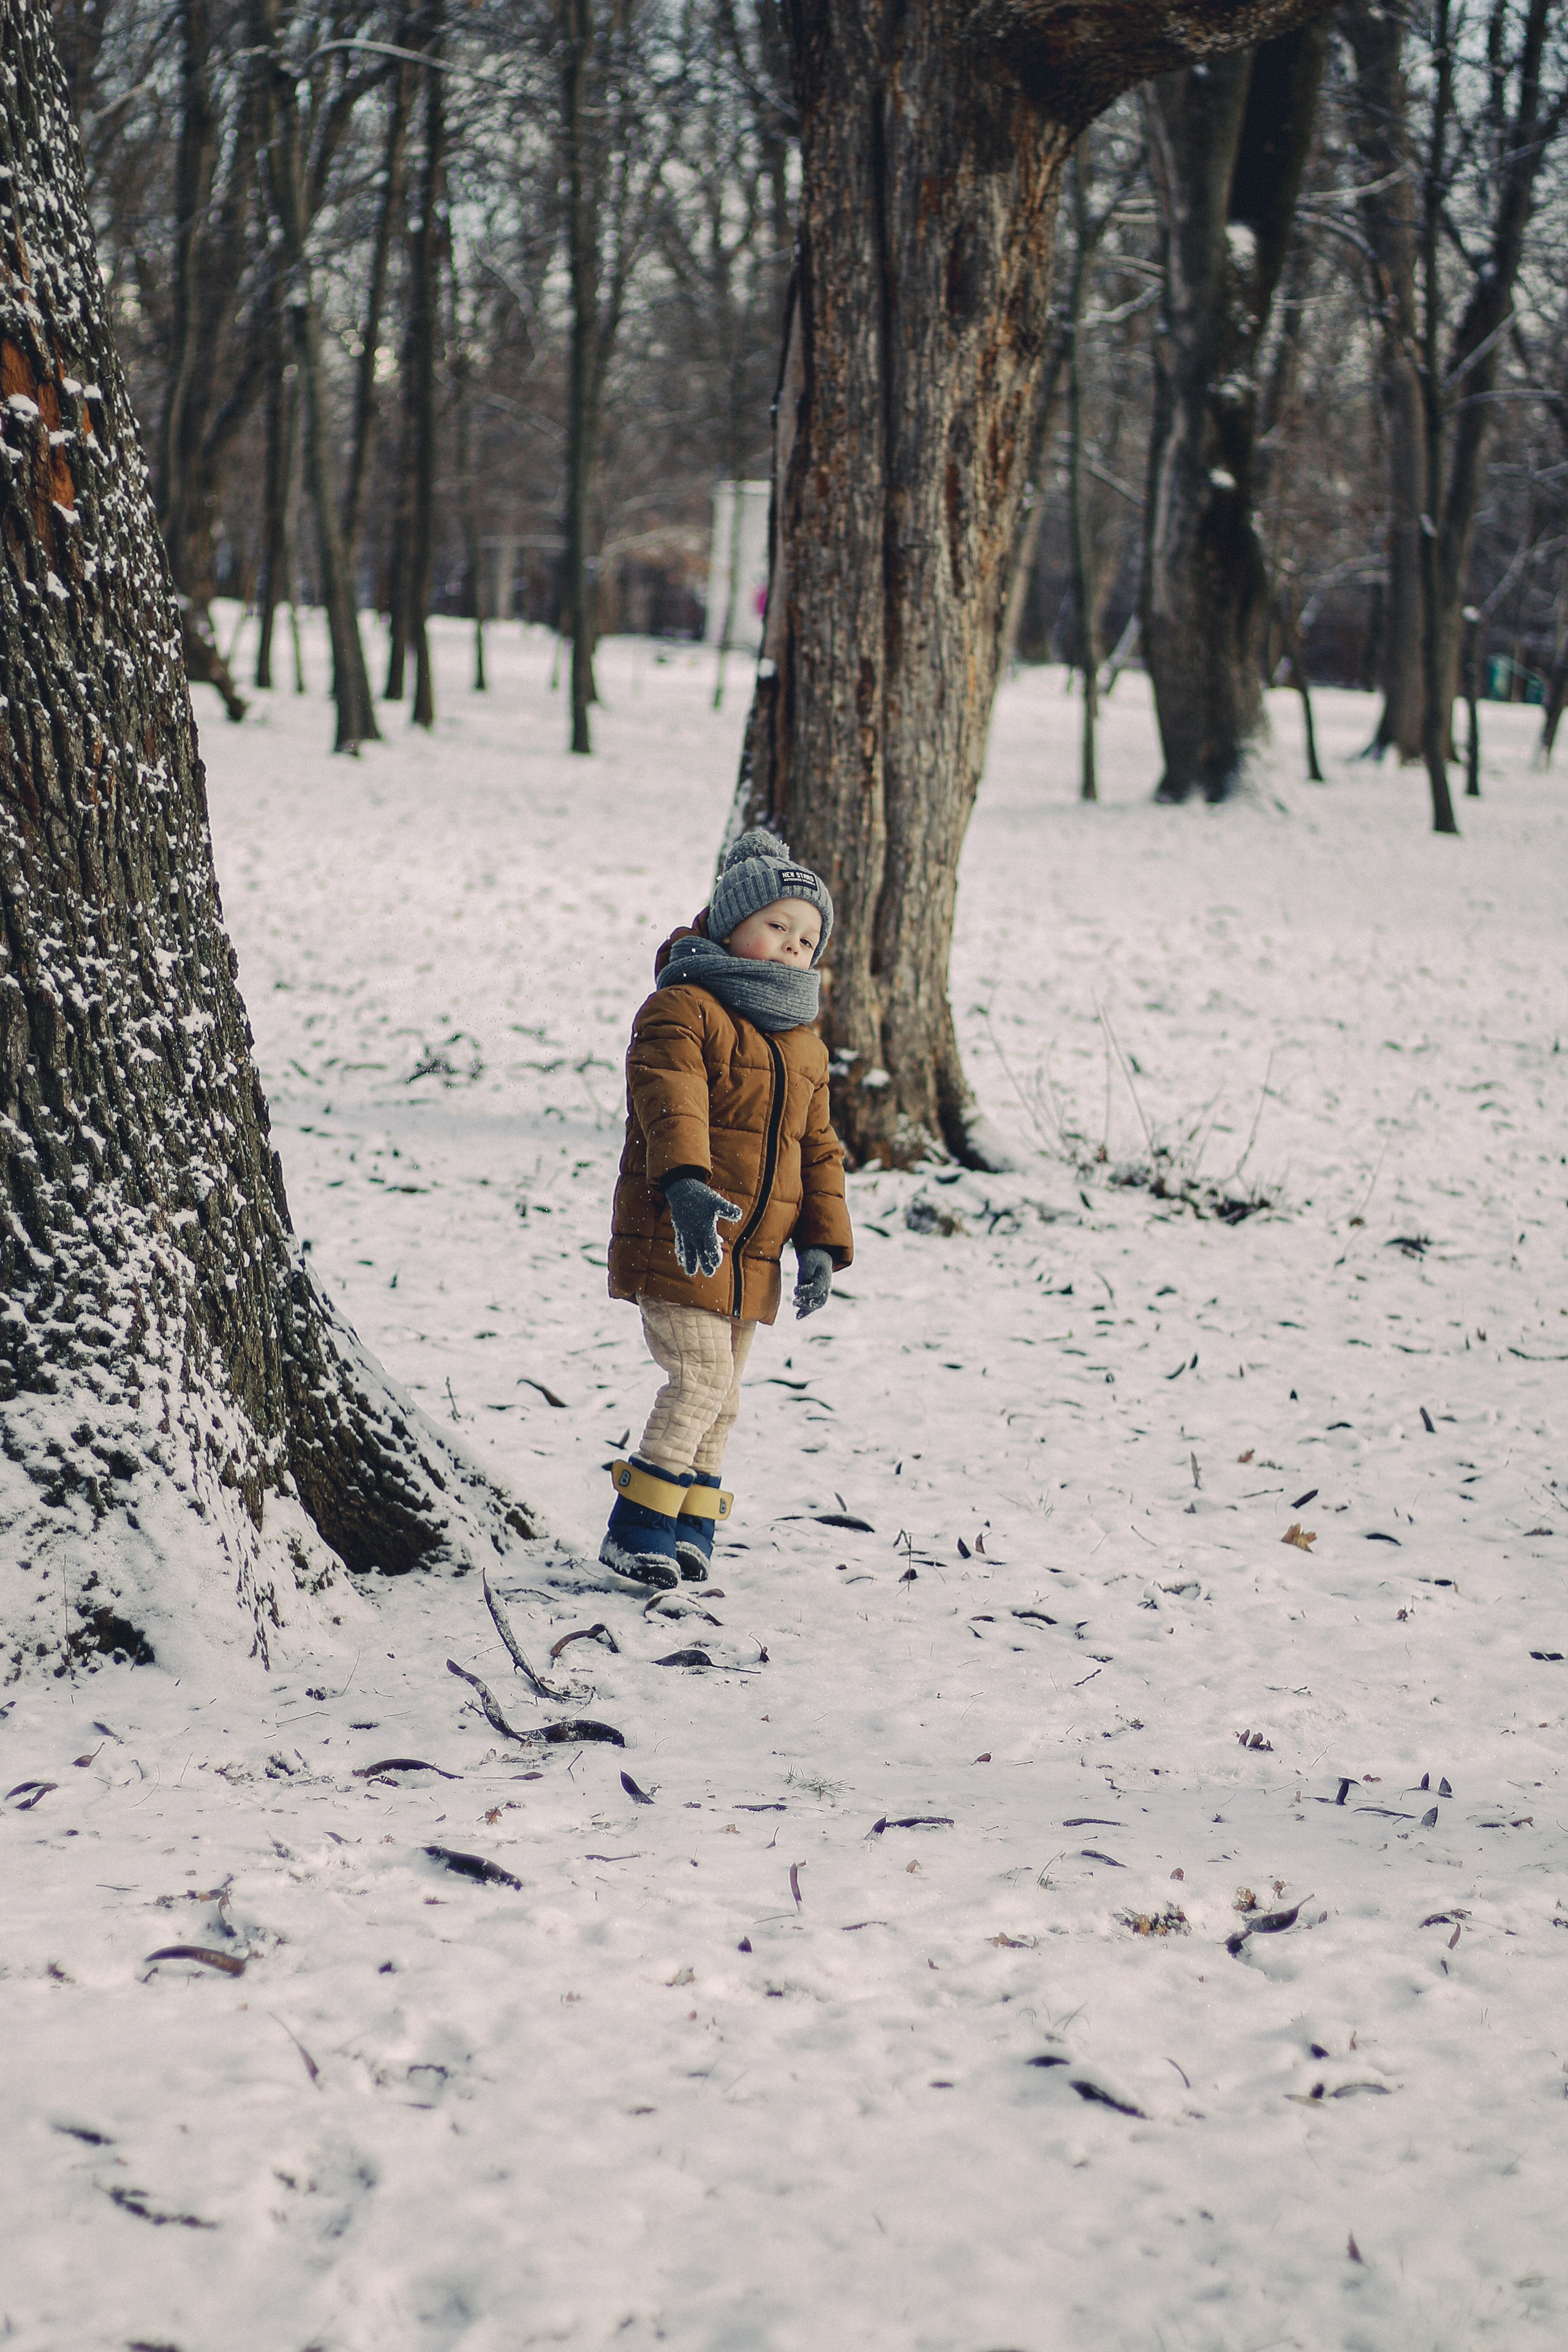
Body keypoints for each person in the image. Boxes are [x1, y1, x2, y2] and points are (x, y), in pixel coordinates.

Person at [601, 829, 854, 1588]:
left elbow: (819, 1150)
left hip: (752, 1257)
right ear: (727, 922)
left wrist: (820, 1244)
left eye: (806, 939)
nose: (790, 946)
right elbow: (669, 1103)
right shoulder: (682, 1008)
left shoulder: (802, 1045)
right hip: (680, 1236)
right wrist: (683, 1188)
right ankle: (635, 1526)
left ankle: (688, 1528)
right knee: (700, 1381)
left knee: (725, 1397)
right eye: (776, 926)